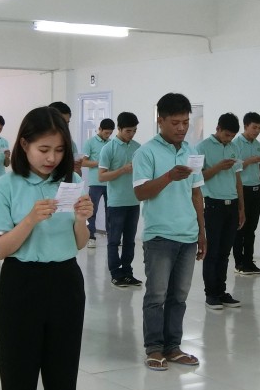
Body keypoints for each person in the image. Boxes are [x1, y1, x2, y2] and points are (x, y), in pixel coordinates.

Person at [0, 107, 92, 390]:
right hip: (22, 285)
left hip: (65, 282)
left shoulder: (73, 182)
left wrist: (81, 219)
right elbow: (0, 249)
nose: (51, 158)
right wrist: (30, 219)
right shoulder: (6, 186)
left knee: (63, 378)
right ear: (24, 145)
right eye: (43, 149)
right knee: (19, 379)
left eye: (59, 150)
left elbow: (79, 243)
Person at [133, 93, 205, 370]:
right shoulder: (146, 152)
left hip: (188, 235)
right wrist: (168, 177)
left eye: (185, 122)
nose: (181, 128)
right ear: (160, 120)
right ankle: (154, 348)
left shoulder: (190, 151)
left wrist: (202, 231)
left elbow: (196, 193)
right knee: (156, 296)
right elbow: (141, 192)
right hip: (160, 236)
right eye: (175, 123)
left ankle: (173, 347)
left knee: (179, 297)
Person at [196, 113, 245, 310]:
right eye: (226, 135)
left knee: (225, 252)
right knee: (213, 251)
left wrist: (241, 207)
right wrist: (217, 167)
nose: (229, 139)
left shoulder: (234, 147)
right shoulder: (202, 147)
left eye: (232, 136)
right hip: (213, 204)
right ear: (217, 129)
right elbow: (197, 178)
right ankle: (211, 294)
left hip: (231, 204)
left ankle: (222, 291)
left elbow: (238, 179)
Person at [97, 111, 142, 288]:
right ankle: (116, 274)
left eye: (134, 131)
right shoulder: (108, 148)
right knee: (114, 240)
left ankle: (128, 273)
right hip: (116, 202)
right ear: (119, 129)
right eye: (128, 131)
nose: (131, 134)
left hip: (134, 201)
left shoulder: (138, 148)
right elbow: (101, 176)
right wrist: (122, 170)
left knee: (130, 241)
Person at [232, 112, 260, 276]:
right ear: (246, 126)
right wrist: (250, 161)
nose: (257, 131)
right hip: (242, 189)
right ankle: (239, 263)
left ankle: (249, 261)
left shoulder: (259, 145)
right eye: (254, 127)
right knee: (240, 227)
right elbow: (235, 168)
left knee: (251, 228)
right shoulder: (235, 144)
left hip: (255, 189)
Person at [80, 118, 114, 248]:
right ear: (99, 129)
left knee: (110, 211)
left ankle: (111, 237)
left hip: (110, 183)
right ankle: (91, 237)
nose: (108, 135)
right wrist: (100, 163)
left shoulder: (111, 143)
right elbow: (83, 162)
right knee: (92, 211)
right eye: (106, 133)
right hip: (95, 183)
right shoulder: (90, 142)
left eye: (110, 133)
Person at [49, 102, 82, 175]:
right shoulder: (35, 141)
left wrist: (76, 169)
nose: (65, 127)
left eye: (67, 123)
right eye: (61, 122)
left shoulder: (70, 144)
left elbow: (77, 175)